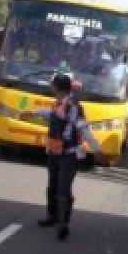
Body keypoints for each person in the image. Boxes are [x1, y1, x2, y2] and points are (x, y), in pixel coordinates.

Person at [37, 73, 93, 240]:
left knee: (63, 189)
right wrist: (34, 112)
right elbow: (52, 114)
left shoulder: (73, 106)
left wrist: (96, 150)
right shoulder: (58, 104)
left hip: (68, 155)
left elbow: (83, 128)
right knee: (52, 186)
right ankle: (52, 217)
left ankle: (63, 225)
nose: (51, 87)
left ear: (57, 87)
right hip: (54, 153)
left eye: (52, 85)